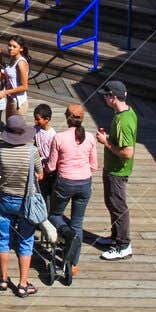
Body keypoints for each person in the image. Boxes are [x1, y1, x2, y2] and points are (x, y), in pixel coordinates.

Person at [46, 103, 98, 284]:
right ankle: (73, 263)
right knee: (78, 222)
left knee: (54, 214)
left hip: (65, 182)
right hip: (85, 182)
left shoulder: (59, 138)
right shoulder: (90, 138)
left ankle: (65, 233)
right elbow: (94, 166)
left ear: (67, 117)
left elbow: (52, 166)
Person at [0, 114, 43, 297]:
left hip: (6, 198)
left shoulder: (0, 149)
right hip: (26, 200)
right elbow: (40, 175)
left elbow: (0, 169)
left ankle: (4, 279)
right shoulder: (32, 151)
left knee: (4, 238)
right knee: (26, 241)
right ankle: (23, 283)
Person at [94, 81, 137, 260]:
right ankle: (115, 236)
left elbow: (127, 152)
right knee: (112, 203)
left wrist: (106, 142)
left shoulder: (123, 122)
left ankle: (123, 245)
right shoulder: (126, 113)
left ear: (113, 97)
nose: (104, 98)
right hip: (113, 169)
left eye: (106, 95)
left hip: (117, 171)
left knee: (118, 206)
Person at [0, 36, 30, 121]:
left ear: (21, 49)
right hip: (10, 99)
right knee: (9, 126)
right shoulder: (13, 59)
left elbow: (24, 87)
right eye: (9, 45)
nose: (10, 48)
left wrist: (4, 92)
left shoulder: (21, 63)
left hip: (18, 102)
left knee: (16, 130)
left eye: (14, 46)